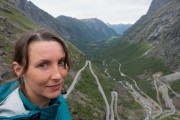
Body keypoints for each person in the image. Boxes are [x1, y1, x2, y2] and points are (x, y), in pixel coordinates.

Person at [0, 29, 72, 120]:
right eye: (43, 65)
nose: (58, 76)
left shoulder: (57, 99)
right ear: (19, 70)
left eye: (61, 62)